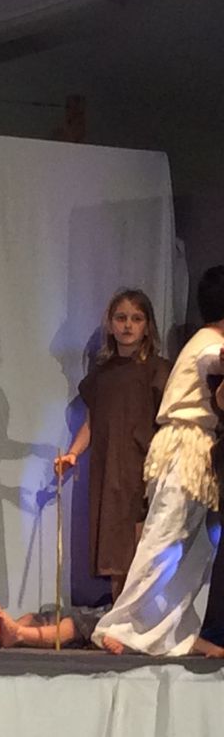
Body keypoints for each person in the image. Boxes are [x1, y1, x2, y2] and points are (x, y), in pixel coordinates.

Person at [90, 267, 224, 657]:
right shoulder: (208, 343)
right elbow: (214, 362)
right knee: (163, 540)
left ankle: (178, 634)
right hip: (184, 445)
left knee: (194, 551)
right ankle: (118, 626)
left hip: (201, 449)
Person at [54, 289, 171, 600]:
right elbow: (92, 422)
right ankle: (119, 613)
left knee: (140, 545)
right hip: (110, 470)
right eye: (121, 318)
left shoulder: (158, 371)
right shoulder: (103, 374)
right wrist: (73, 454)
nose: (128, 326)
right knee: (115, 548)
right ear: (110, 324)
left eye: (136, 319)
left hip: (142, 467)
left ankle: (138, 614)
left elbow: (168, 423)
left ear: (147, 326)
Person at [0, 599, 107, 649]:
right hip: (105, 612)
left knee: (76, 624)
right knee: (38, 619)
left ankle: (18, 634)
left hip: (107, 623)